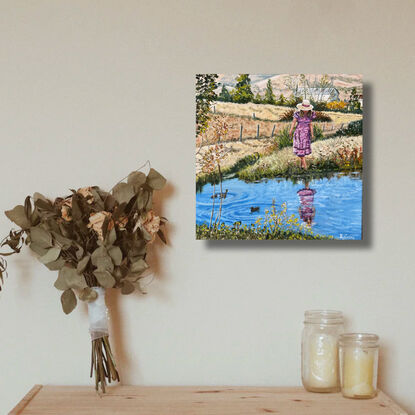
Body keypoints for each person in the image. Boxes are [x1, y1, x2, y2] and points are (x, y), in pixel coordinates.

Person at [289, 99, 316, 169]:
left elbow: (310, 125)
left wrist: (312, 134)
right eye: (304, 109)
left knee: (303, 151)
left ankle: (302, 167)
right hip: (299, 133)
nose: (305, 110)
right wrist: (290, 131)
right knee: (300, 150)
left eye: (307, 109)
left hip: (306, 134)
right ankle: (305, 167)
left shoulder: (310, 114)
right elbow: (293, 122)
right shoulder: (297, 114)